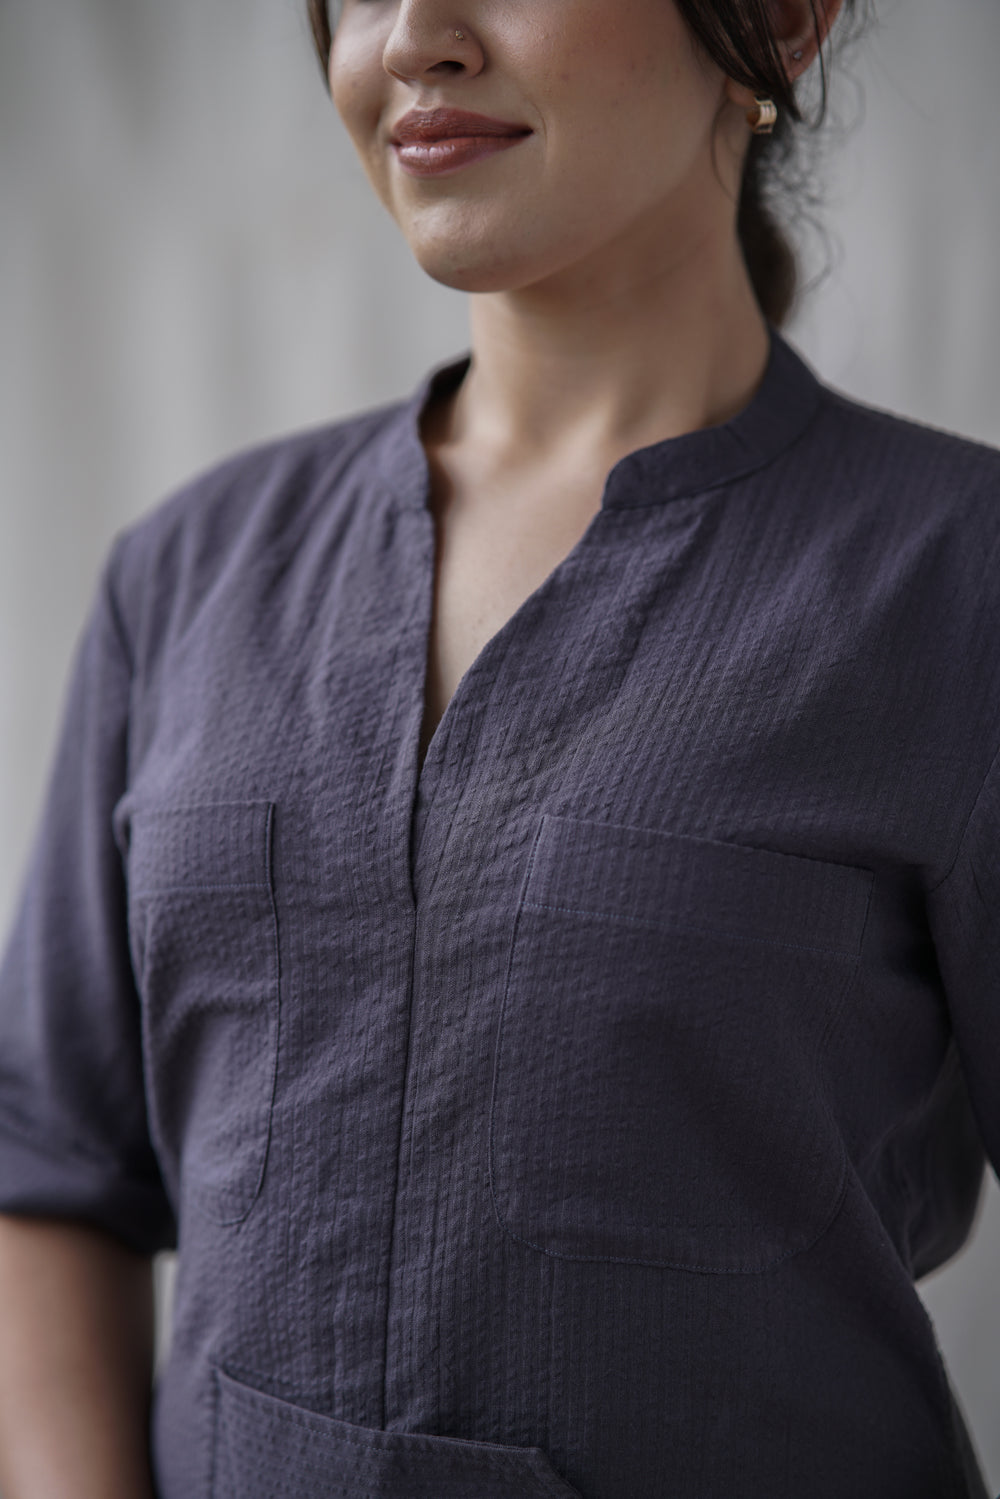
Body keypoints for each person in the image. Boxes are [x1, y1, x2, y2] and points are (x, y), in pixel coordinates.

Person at [0, 0, 997, 1493]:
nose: (413, 36)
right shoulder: (191, 573)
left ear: (779, 23)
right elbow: (53, 1166)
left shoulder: (960, 584)